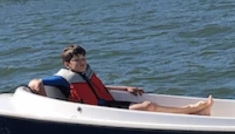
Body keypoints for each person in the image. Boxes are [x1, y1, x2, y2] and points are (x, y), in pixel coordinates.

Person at [27, 45, 212, 115]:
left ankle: (193, 110)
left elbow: (95, 87)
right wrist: (50, 104)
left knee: (146, 103)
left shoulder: (83, 74)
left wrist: (125, 88)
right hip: (97, 112)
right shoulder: (62, 79)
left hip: (108, 104)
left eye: (84, 59)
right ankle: (191, 110)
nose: (82, 63)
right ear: (68, 64)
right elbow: (35, 83)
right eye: (77, 60)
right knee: (148, 106)